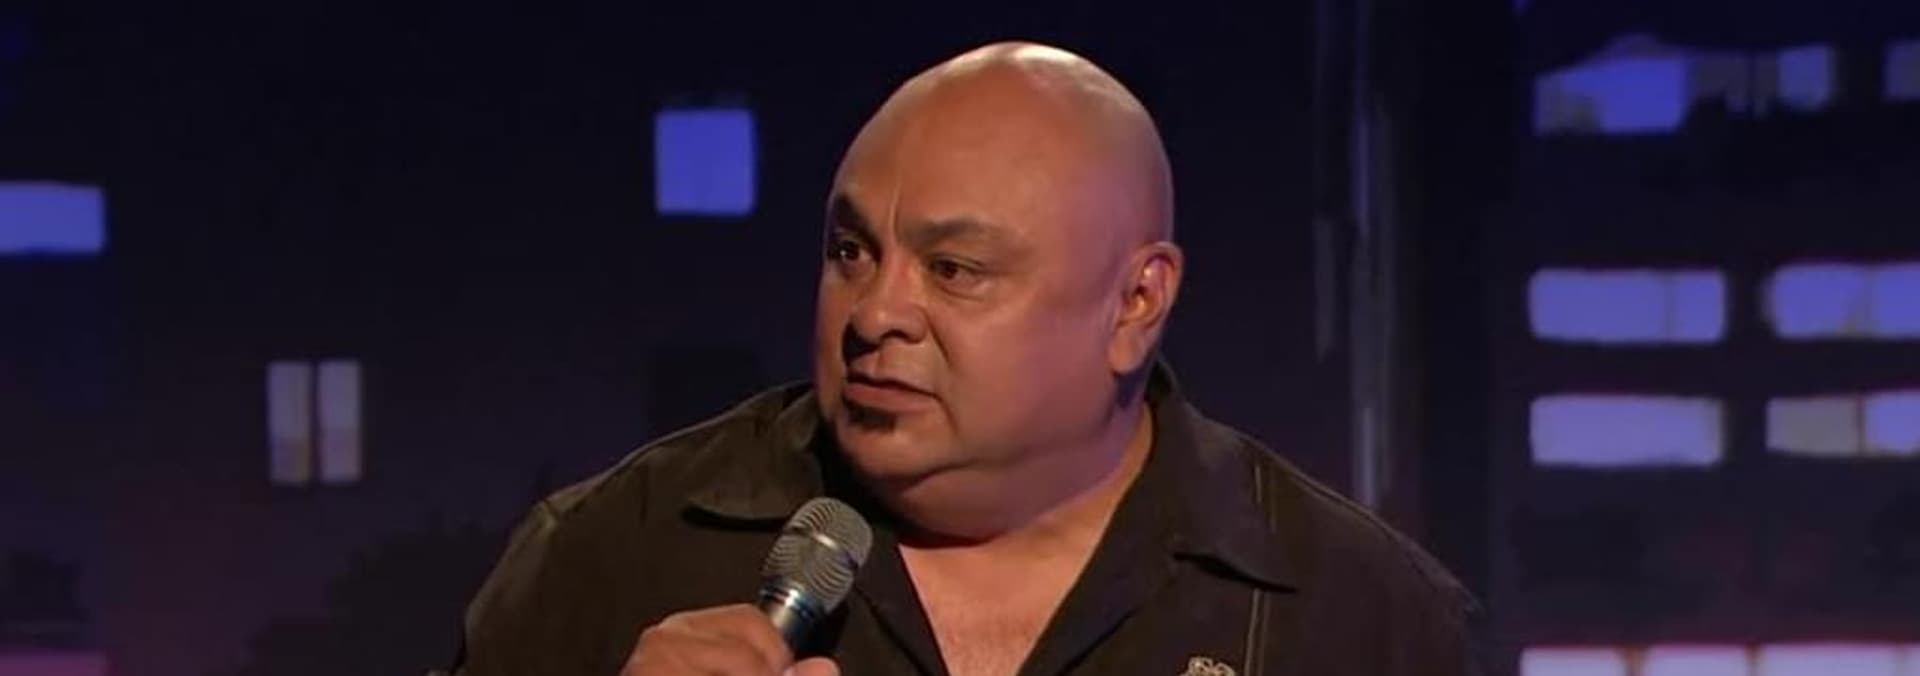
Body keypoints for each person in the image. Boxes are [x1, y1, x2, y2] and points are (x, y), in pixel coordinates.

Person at [446, 41, 1481, 676]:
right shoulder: (615, 554)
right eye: (852, 252)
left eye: (953, 269)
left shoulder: (1356, 616)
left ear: (1135, 303)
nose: (874, 314)